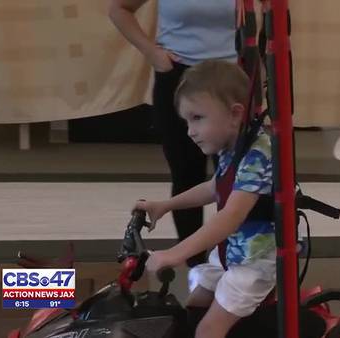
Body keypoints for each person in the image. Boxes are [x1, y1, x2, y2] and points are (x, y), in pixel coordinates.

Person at [134, 60, 275, 338]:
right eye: (187, 121)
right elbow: (215, 187)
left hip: (257, 261)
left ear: (235, 114)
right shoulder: (233, 147)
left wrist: (177, 253)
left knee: (208, 330)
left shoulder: (259, 154)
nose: (190, 131)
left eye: (197, 118)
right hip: (233, 252)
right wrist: (165, 205)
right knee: (193, 307)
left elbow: (230, 217)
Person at [109, 0, 238, 267]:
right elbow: (118, 9)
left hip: (229, 81)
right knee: (187, 175)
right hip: (178, 77)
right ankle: (197, 269)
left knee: (235, 179)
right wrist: (152, 53)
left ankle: (235, 263)